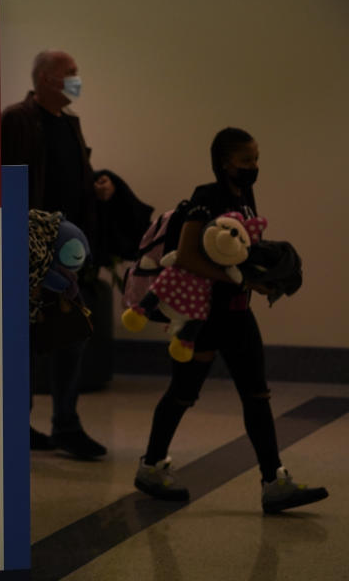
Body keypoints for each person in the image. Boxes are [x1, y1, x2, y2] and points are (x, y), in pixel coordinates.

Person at [134, 127, 329, 513]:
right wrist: (242, 281)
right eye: (246, 161)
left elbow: (238, 248)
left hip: (239, 316)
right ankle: (151, 467)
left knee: (257, 395)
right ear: (225, 162)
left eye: (256, 159)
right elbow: (189, 256)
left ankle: (274, 482)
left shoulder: (246, 195)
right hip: (204, 318)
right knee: (184, 392)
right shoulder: (206, 197)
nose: (254, 167)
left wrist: (266, 272)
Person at [1, 50, 113, 459]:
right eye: (70, 74)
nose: (76, 80)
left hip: (67, 252)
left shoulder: (70, 124)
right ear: (47, 78)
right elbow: (8, 180)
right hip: (30, 248)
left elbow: (71, 175)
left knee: (70, 336)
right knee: (25, 343)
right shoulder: (19, 120)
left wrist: (96, 189)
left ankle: (66, 423)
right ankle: (18, 423)